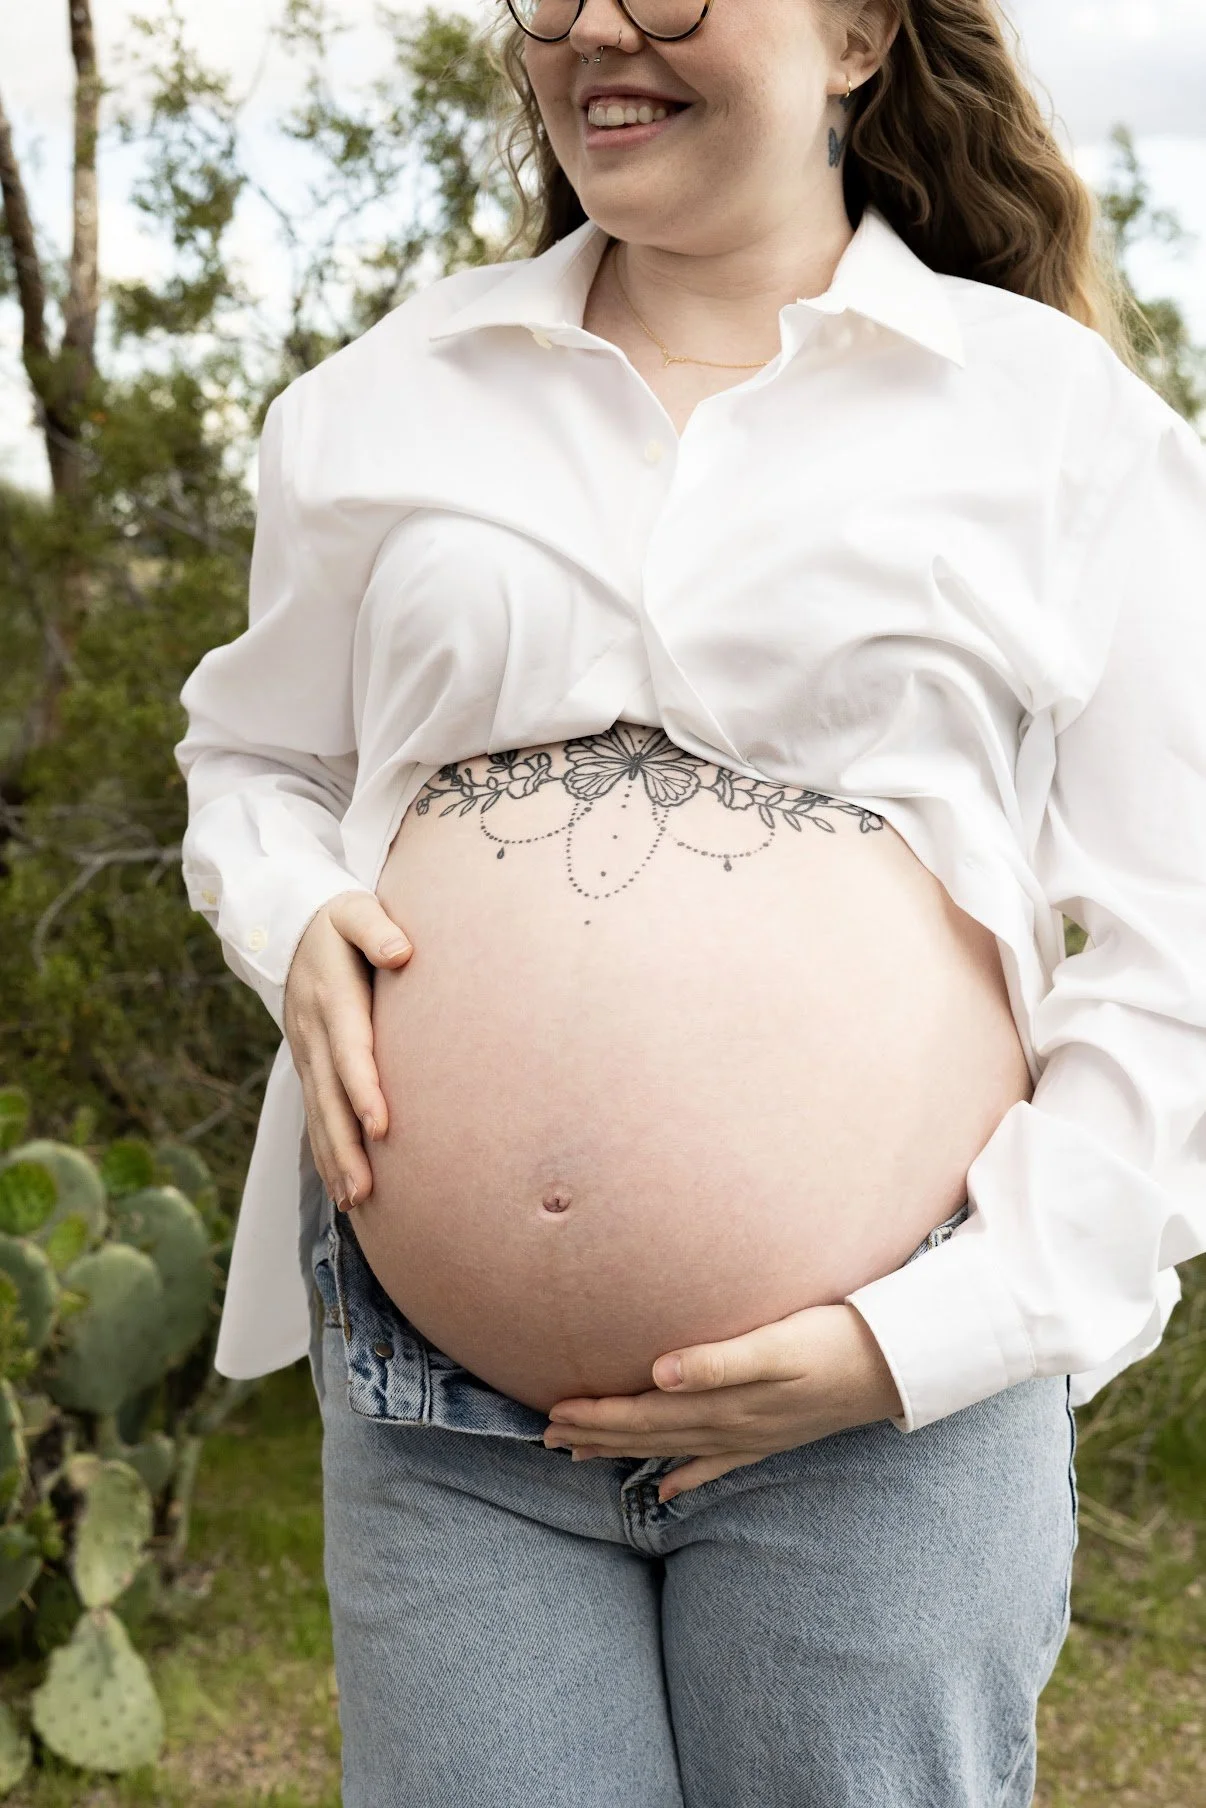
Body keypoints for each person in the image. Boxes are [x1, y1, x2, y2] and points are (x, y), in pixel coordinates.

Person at [175, 0, 1206, 1801]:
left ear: (863, 32)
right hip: (444, 1416)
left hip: (890, 1412)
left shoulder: (1056, 424)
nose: (590, 30)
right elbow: (257, 763)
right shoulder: (379, 401)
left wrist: (921, 1341)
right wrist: (291, 910)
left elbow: (1177, 942)